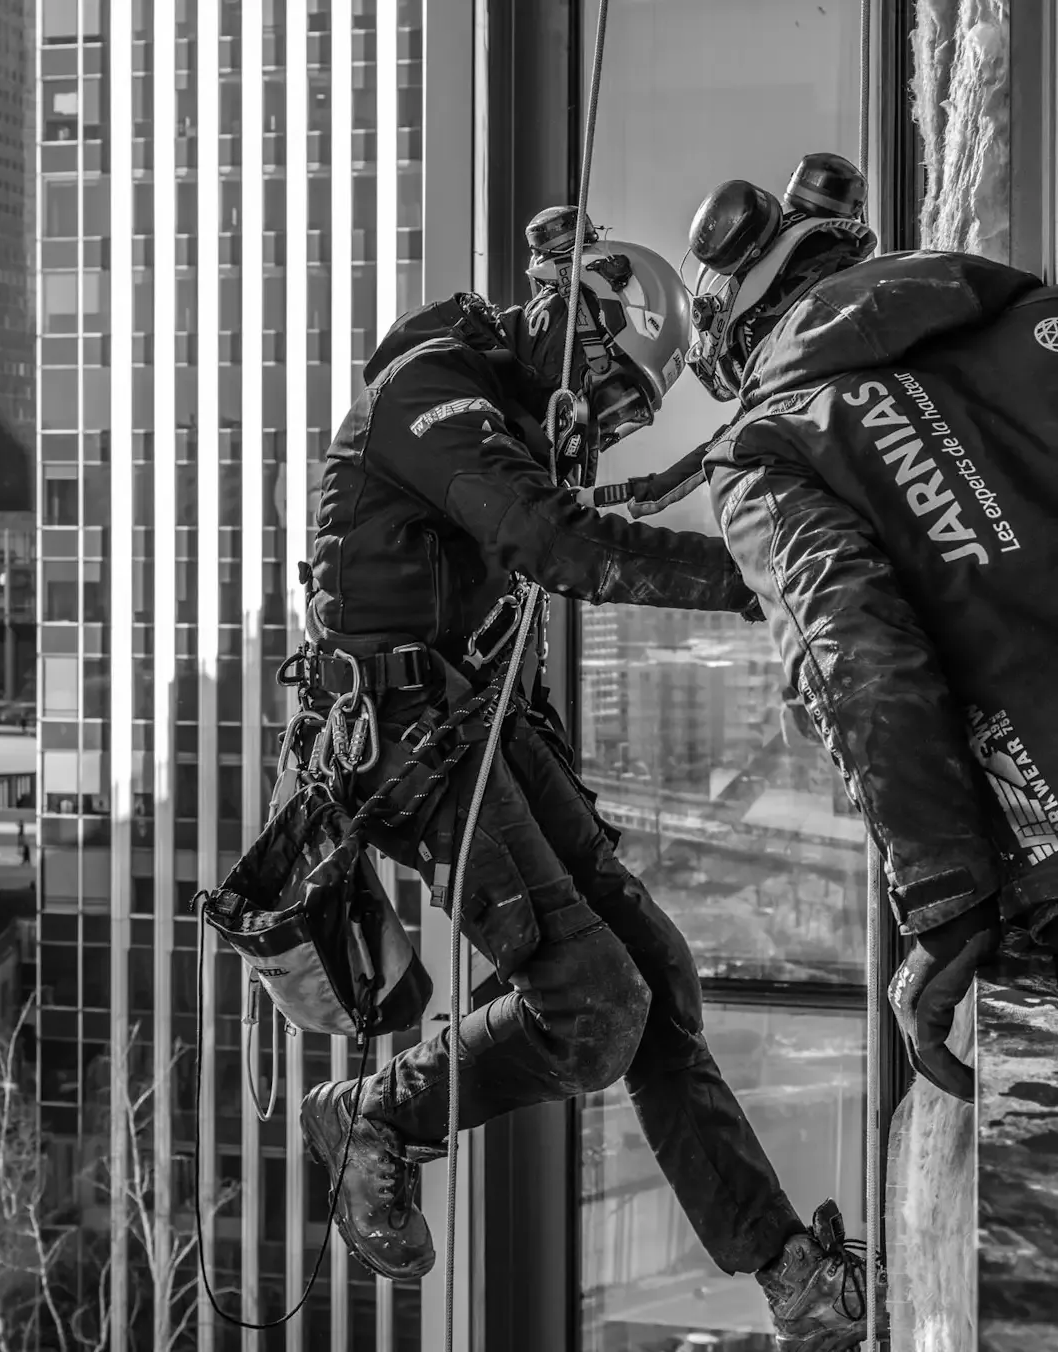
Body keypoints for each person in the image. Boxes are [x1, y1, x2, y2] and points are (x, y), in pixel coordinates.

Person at [296, 213, 882, 1351]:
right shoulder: (429, 393)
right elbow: (556, 543)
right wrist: (758, 577)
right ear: (575, 321)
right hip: (404, 740)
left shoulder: (502, 408)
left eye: (620, 416)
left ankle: (791, 1277)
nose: (598, 424)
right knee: (594, 1005)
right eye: (606, 391)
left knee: (654, 974)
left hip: (475, 722)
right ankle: (376, 1112)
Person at [628, 151, 1058, 1105]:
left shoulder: (765, 449)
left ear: (736, 328)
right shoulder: (1017, 310)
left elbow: (854, 663)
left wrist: (946, 902)